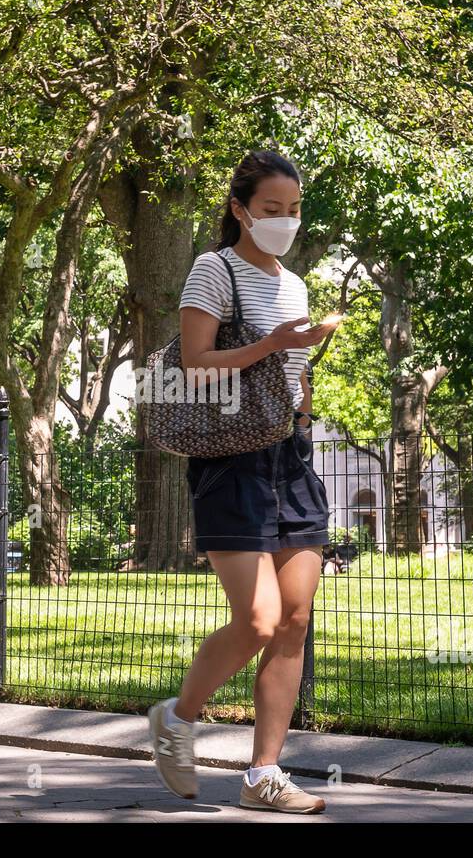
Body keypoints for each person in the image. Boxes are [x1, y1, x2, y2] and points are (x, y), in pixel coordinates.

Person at [146, 151, 341, 814]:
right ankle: (178, 717)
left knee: (294, 620)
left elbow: (293, 374)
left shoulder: (295, 285)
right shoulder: (214, 270)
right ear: (239, 211)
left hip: (290, 457)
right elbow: (196, 364)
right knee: (256, 620)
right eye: (271, 210)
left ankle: (263, 774)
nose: (284, 221)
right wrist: (275, 342)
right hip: (230, 461)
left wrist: (303, 373)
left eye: (293, 210)